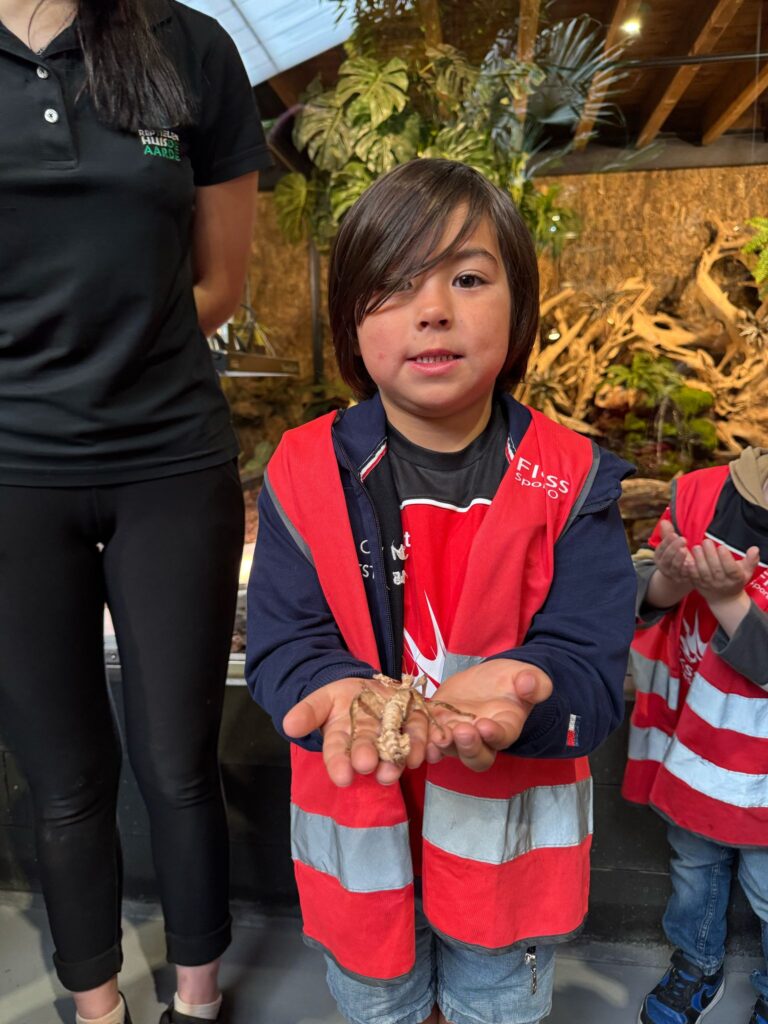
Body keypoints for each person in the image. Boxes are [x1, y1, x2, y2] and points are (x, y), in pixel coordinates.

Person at [246, 158, 637, 1024]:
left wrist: (533, 693)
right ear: (352, 319)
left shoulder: (572, 479)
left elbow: (590, 670)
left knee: (498, 1006)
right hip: (363, 853)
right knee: (378, 1005)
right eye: (393, 284)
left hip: (507, 867)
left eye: (467, 277)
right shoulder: (303, 473)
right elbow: (284, 645)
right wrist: (331, 690)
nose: (433, 309)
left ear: (519, 305)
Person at [0, 2, 271, 1022]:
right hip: (12, 471)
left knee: (175, 758)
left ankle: (197, 997)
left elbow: (221, 279)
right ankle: (97, 1002)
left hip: (169, 457)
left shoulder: (186, 44)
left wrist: (110, 356)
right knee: (63, 776)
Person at [623, 450, 768, 1024]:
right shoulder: (702, 493)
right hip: (696, 742)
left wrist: (726, 600)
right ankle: (696, 960)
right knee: (693, 862)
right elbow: (636, 590)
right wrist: (669, 578)